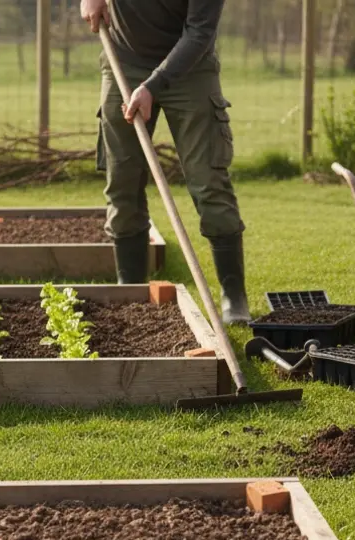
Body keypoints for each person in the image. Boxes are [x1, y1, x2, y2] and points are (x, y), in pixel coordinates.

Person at [81, 0, 250, 323]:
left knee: (208, 183)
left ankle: (234, 296)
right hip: (124, 61)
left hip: (190, 68)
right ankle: (129, 291)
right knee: (123, 181)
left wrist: (152, 87)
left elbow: (200, 34)